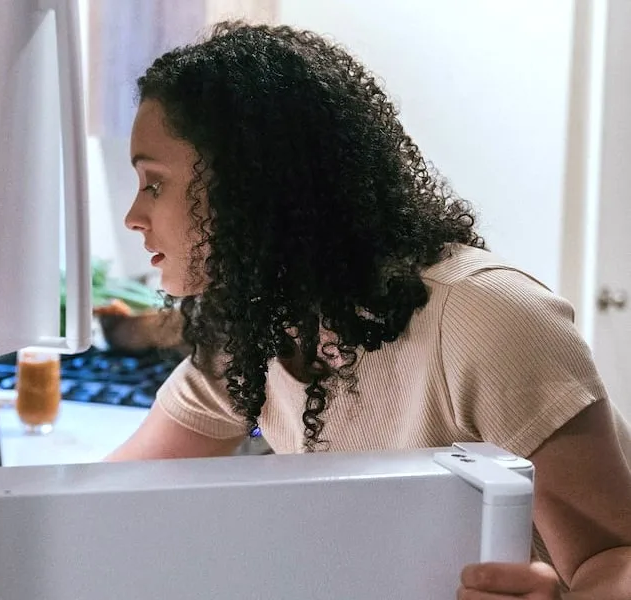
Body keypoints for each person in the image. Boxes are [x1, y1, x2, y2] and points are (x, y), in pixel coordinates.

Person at [106, 20, 631, 599]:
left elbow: (617, 556)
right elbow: (115, 494)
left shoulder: (488, 319)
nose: (133, 216)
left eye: (153, 183)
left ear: (248, 184)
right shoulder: (257, 329)